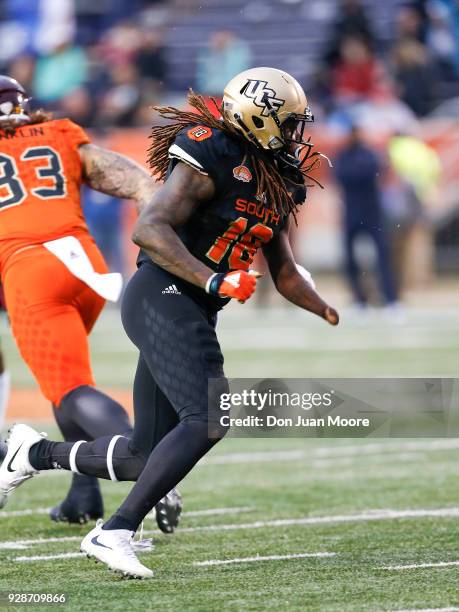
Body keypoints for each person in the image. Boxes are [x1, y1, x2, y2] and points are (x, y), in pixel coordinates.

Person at [0, 67, 339, 579]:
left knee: (143, 457)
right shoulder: (211, 150)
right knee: (207, 416)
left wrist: (322, 306)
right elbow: (149, 228)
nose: (296, 134)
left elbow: (286, 271)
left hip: (189, 303)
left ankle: (33, 452)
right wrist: (213, 281)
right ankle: (113, 532)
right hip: (162, 293)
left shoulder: (277, 177)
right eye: (288, 122)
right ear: (257, 118)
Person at [0, 75, 181, 532]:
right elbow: (133, 180)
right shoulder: (59, 132)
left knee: (70, 389)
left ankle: (151, 464)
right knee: (64, 380)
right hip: (83, 265)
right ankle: (83, 494)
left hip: (31, 268)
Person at [334, 125, 398, 308]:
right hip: (352, 213)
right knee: (350, 258)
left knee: (383, 256)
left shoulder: (368, 154)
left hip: (372, 213)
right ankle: (359, 299)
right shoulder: (344, 156)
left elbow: (374, 171)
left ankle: (390, 298)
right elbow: (342, 175)